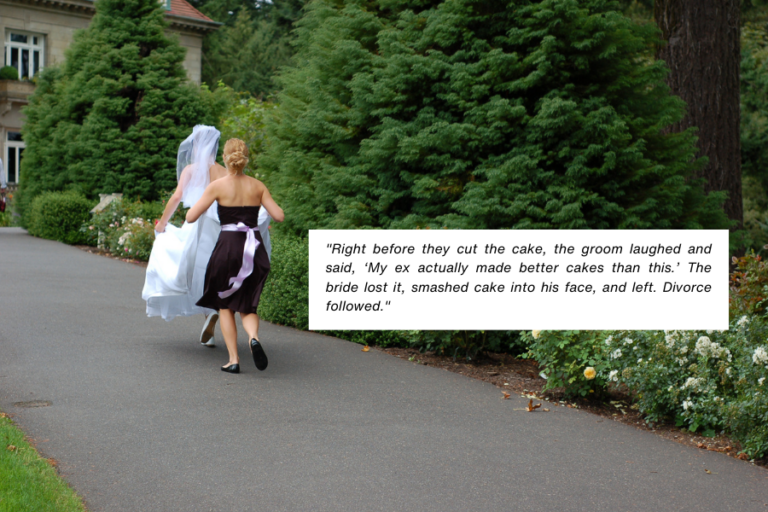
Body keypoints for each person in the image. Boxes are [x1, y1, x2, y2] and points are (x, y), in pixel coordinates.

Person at [186, 138, 284, 373]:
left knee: (225, 305)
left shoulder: (218, 186)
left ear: (225, 159)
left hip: (228, 249)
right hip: (254, 250)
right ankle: (254, 337)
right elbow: (279, 216)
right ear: (245, 159)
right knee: (247, 306)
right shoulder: (257, 186)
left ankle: (233, 360)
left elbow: (191, 217)